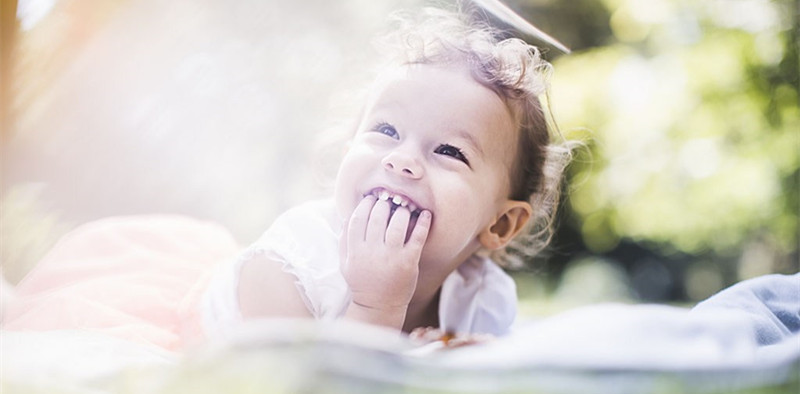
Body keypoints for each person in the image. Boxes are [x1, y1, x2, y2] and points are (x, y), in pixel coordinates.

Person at [3, 5, 571, 350]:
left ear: (501, 224)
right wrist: (377, 304)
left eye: (449, 150)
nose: (402, 161)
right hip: (215, 333)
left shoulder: (482, 296)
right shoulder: (290, 268)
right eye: (386, 131)